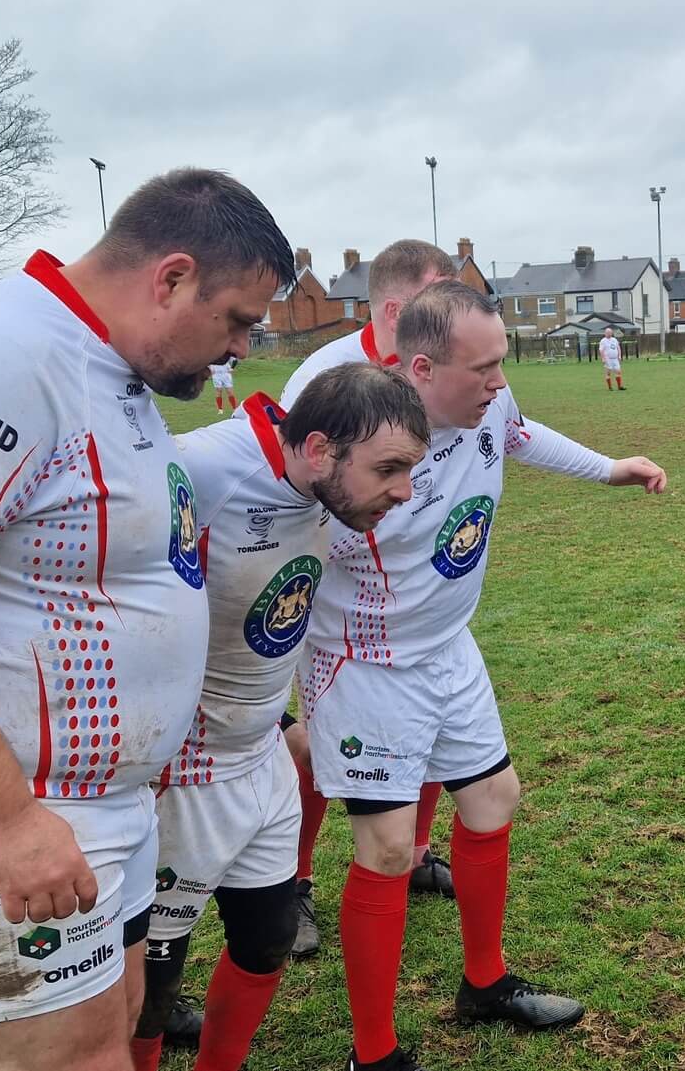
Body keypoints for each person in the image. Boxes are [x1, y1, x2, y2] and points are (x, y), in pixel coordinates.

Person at [0, 167, 294, 1071]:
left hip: (92, 804)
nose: (235, 350)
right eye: (234, 319)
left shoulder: (111, 369)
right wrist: (5, 819)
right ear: (171, 276)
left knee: (115, 1029)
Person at [295, 279, 665, 1071]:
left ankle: (485, 981)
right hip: (367, 662)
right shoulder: (353, 435)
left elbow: (522, 434)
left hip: (449, 647)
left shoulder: (489, 401)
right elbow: (274, 535)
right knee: (390, 848)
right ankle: (375, 1053)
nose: (499, 381)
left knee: (494, 799)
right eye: (483, 368)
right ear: (421, 368)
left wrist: (610, 468)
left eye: (503, 362)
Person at [130, 364, 429, 1071]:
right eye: (388, 469)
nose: (404, 491)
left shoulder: (329, 485)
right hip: (182, 764)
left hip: (261, 752)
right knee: (153, 979)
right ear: (320, 447)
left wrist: (285, 716)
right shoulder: (203, 468)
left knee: (266, 940)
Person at [276, 238, 463, 961]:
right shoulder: (324, 373)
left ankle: (415, 853)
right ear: (395, 310)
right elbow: (287, 475)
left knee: (430, 730)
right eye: (437, 301)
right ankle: (294, 883)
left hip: (423, 586)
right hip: (338, 599)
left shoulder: (441, 371)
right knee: (327, 747)